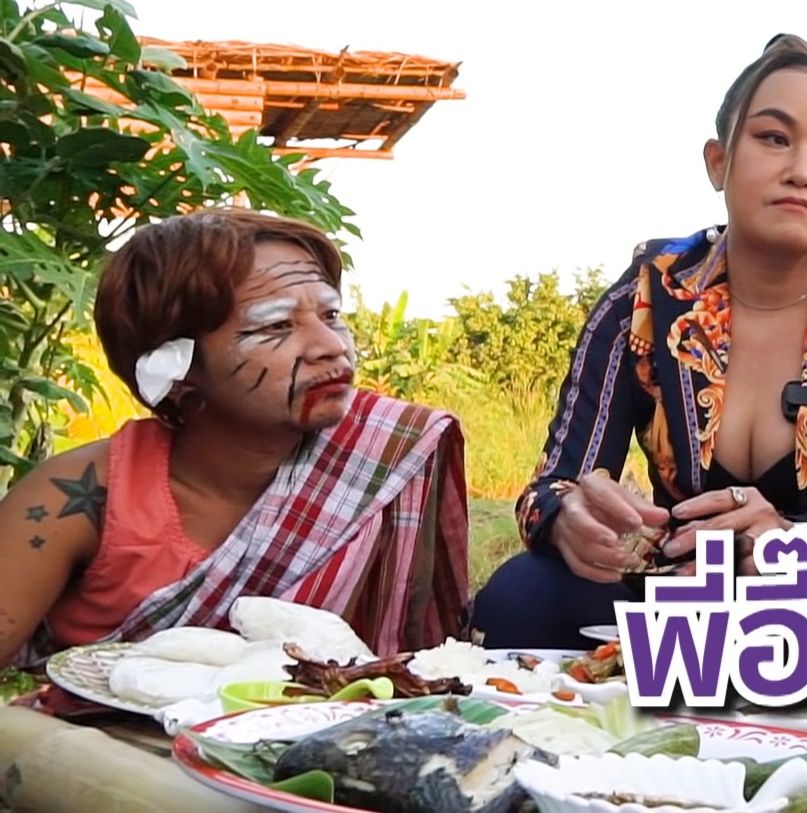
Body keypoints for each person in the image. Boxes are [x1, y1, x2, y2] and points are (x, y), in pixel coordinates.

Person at [471, 34, 807, 651]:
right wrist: (571, 520)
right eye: (773, 138)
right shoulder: (645, 296)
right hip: (670, 587)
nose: (801, 171)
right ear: (718, 161)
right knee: (520, 595)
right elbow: (556, 482)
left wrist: (795, 544)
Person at [0, 208, 471, 672]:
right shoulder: (82, 495)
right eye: (277, 326)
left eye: (331, 315)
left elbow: (416, 668)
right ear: (174, 367)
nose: (332, 346)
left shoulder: (382, 456)